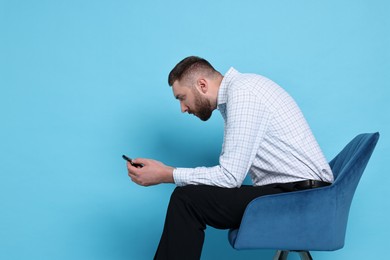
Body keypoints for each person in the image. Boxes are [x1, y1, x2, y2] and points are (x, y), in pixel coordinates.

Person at [126, 56, 334, 260]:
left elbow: (229, 177)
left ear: (202, 85)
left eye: (182, 97)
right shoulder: (240, 92)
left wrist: (166, 174)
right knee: (188, 197)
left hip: (301, 198)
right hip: (296, 193)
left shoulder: (243, 93)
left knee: (187, 199)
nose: (183, 108)